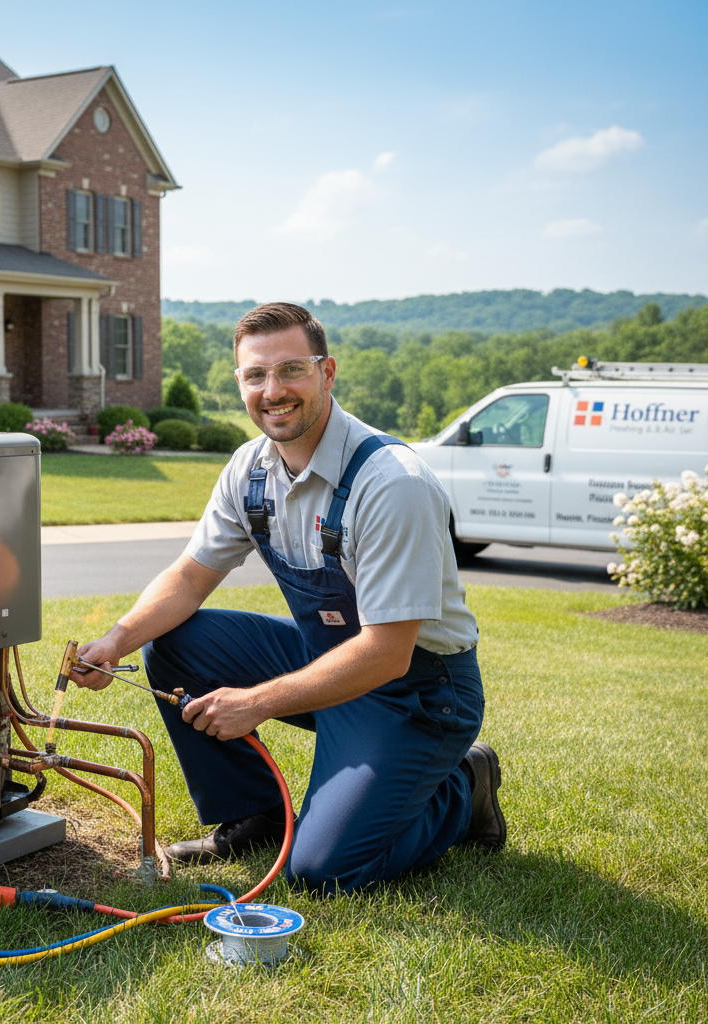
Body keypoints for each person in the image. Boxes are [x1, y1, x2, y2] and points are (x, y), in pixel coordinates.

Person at [74, 302, 504, 893]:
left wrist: (257, 703)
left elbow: (388, 654)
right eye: (256, 375)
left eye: (291, 370)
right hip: (326, 657)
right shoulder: (249, 469)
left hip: (417, 692)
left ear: (327, 373)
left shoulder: (392, 484)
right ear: (239, 384)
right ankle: (257, 815)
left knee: (323, 870)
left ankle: (465, 787)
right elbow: (190, 577)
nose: (272, 390)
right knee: (172, 642)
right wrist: (116, 640)